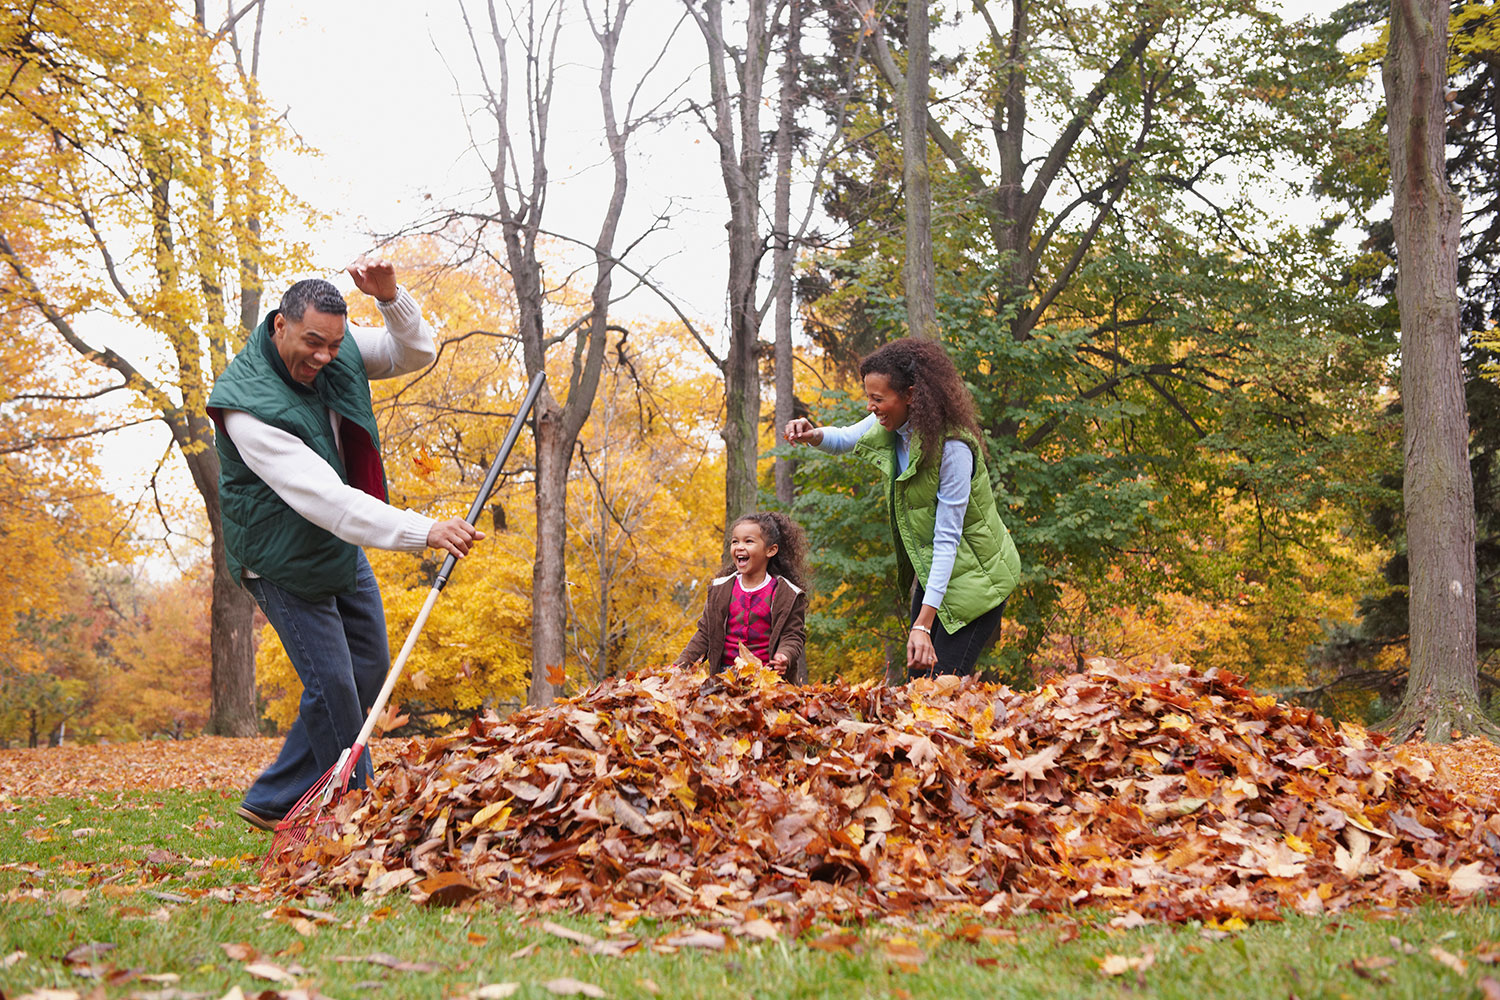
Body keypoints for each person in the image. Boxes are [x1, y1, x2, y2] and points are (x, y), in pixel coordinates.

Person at [206, 257, 483, 831]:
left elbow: (415, 353)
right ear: (280, 324)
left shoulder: (335, 346)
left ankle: (273, 797)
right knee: (333, 684)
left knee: (368, 669)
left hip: (337, 540)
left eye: (334, 344)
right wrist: (422, 531)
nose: (324, 357)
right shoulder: (245, 406)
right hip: (280, 555)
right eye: (312, 342)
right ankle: (357, 809)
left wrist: (391, 298)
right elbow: (327, 499)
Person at [783, 338, 1021, 677]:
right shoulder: (895, 425)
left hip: (978, 582)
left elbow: (947, 539)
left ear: (910, 395)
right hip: (938, 572)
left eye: (878, 398)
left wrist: (922, 625)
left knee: (940, 688)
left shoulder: (953, 449)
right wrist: (811, 434)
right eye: (869, 397)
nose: (870, 407)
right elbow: (846, 438)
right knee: (918, 683)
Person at [672, 512, 809, 681]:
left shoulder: (786, 594)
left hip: (766, 678)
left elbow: (792, 635)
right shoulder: (721, 589)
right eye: (735, 541)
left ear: (770, 550)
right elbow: (704, 635)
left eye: (748, 541)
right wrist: (678, 667)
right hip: (725, 677)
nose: (739, 546)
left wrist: (784, 655)